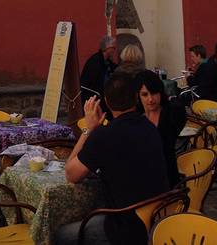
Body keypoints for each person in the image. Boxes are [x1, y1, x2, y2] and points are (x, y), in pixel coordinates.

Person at [56, 71, 170, 245]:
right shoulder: (150, 127)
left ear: (107, 102)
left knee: (61, 234)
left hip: (127, 229)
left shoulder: (104, 136)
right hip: (159, 216)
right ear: (136, 97)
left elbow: (71, 174)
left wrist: (88, 129)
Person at [136, 69, 186, 186]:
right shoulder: (136, 117)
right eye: (145, 94)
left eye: (154, 93)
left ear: (160, 92)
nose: (150, 99)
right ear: (138, 95)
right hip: (142, 176)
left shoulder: (171, 113)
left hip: (167, 174)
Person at [80, 36, 117, 104]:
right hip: (93, 98)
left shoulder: (106, 61)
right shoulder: (95, 62)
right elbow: (94, 84)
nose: (115, 51)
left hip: (100, 96)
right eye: (113, 48)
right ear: (107, 48)